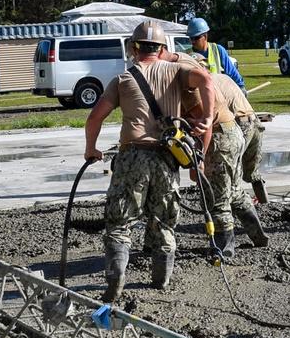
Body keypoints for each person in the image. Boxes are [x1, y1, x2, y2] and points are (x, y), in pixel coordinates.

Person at [84, 20, 214, 302]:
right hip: (167, 157)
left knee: (120, 222)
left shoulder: (123, 80)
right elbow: (206, 80)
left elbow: (95, 117)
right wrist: (207, 118)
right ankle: (160, 281)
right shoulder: (177, 71)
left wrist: (91, 149)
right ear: (163, 48)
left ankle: (116, 282)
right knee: (164, 220)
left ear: (133, 48)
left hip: (132, 155)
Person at [181, 71, 269, 258]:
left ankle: (224, 248)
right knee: (234, 189)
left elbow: (208, 125)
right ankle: (257, 233)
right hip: (240, 130)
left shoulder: (194, 89)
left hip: (223, 136)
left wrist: (199, 159)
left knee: (217, 196)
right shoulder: (218, 78)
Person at [186, 18, 246, 92]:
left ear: (205, 36)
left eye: (196, 38)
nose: (193, 41)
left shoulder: (218, 50)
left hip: (218, 95)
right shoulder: (187, 55)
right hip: (197, 99)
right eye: (191, 38)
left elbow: (231, 71)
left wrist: (241, 86)